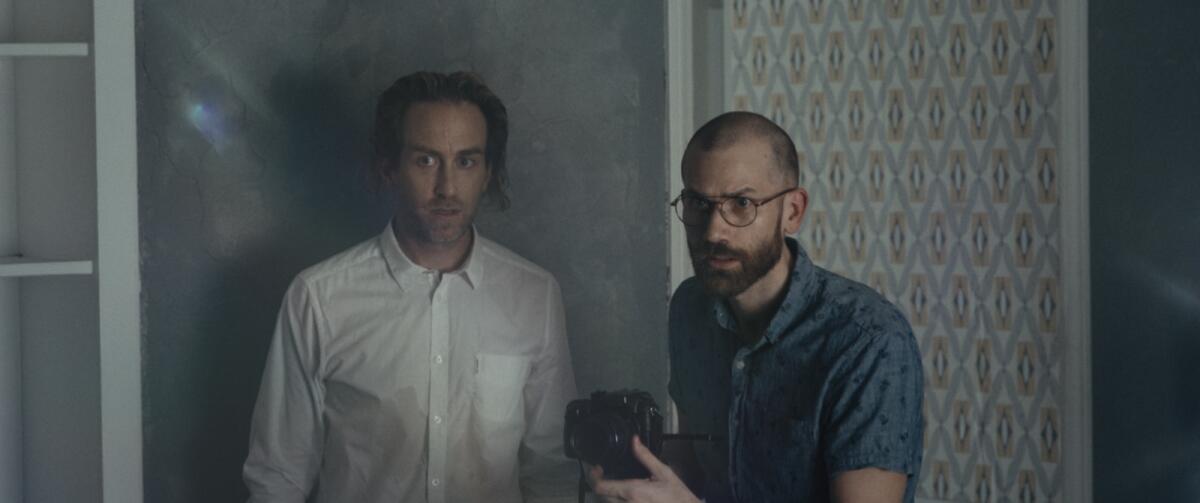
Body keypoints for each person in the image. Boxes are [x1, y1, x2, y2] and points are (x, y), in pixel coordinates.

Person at [244, 71, 577, 503]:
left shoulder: (535, 296)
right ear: (389, 167)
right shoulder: (318, 298)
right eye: (426, 160)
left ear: (488, 172)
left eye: (466, 161)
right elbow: (278, 479)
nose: (448, 188)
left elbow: (552, 476)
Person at [590, 112, 923, 502]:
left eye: (742, 203)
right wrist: (630, 473)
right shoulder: (690, 308)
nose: (714, 230)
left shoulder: (868, 342)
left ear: (793, 212)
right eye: (698, 202)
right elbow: (697, 468)